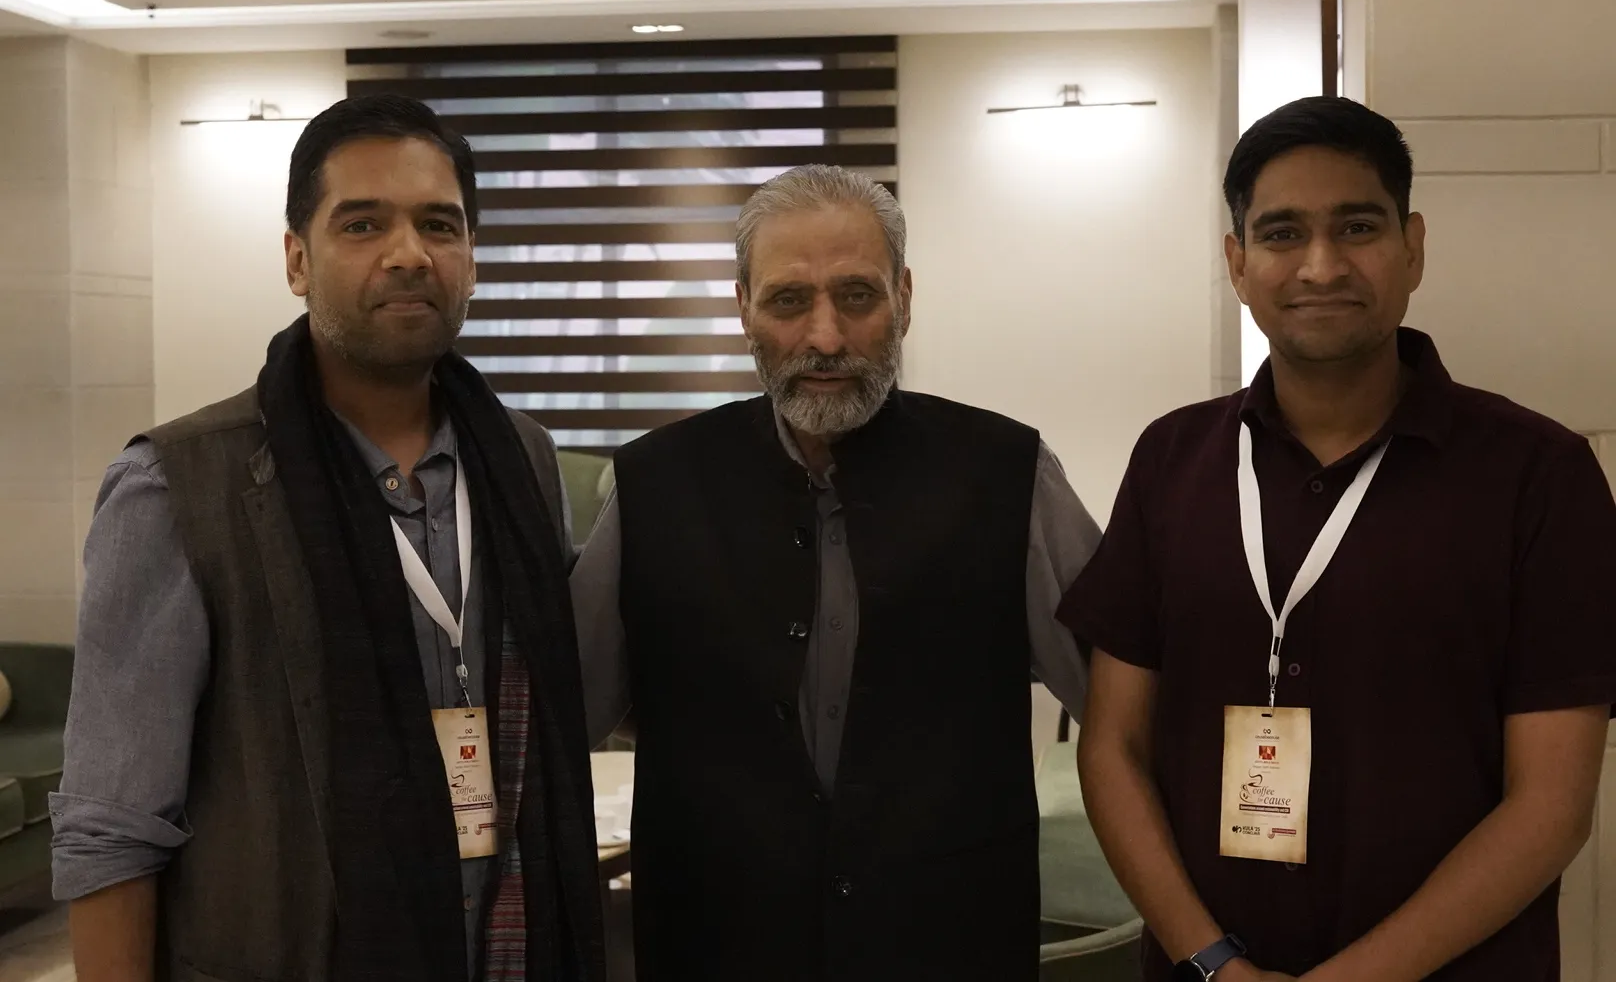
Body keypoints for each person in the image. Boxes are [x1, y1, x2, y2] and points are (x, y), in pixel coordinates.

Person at [50, 95, 606, 982]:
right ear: (297, 260)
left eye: (439, 224)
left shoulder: (524, 461)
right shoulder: (177, 487)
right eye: (362, 224)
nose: (409, 253)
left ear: (471, 260)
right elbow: (111, 827)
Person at [1061, 96, 1616, 981]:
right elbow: (1113, 748)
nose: (1321, 266)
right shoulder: (1172, 460)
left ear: (1413, 248)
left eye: (1357, 227)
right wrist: (1212, 961)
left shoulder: (1539, 476)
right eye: (1282, 234)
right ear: (1238, 264)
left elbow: (1550, 806)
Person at [569, 164, 1101, 980]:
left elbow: (1128, 716)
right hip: (717, 942)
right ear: (743, 306)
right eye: (788, 301)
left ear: (905, 298)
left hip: (948, 941)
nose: (824, 337)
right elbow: (564, 714)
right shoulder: (652, 485)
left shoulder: (1009, 474)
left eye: (857, 296)